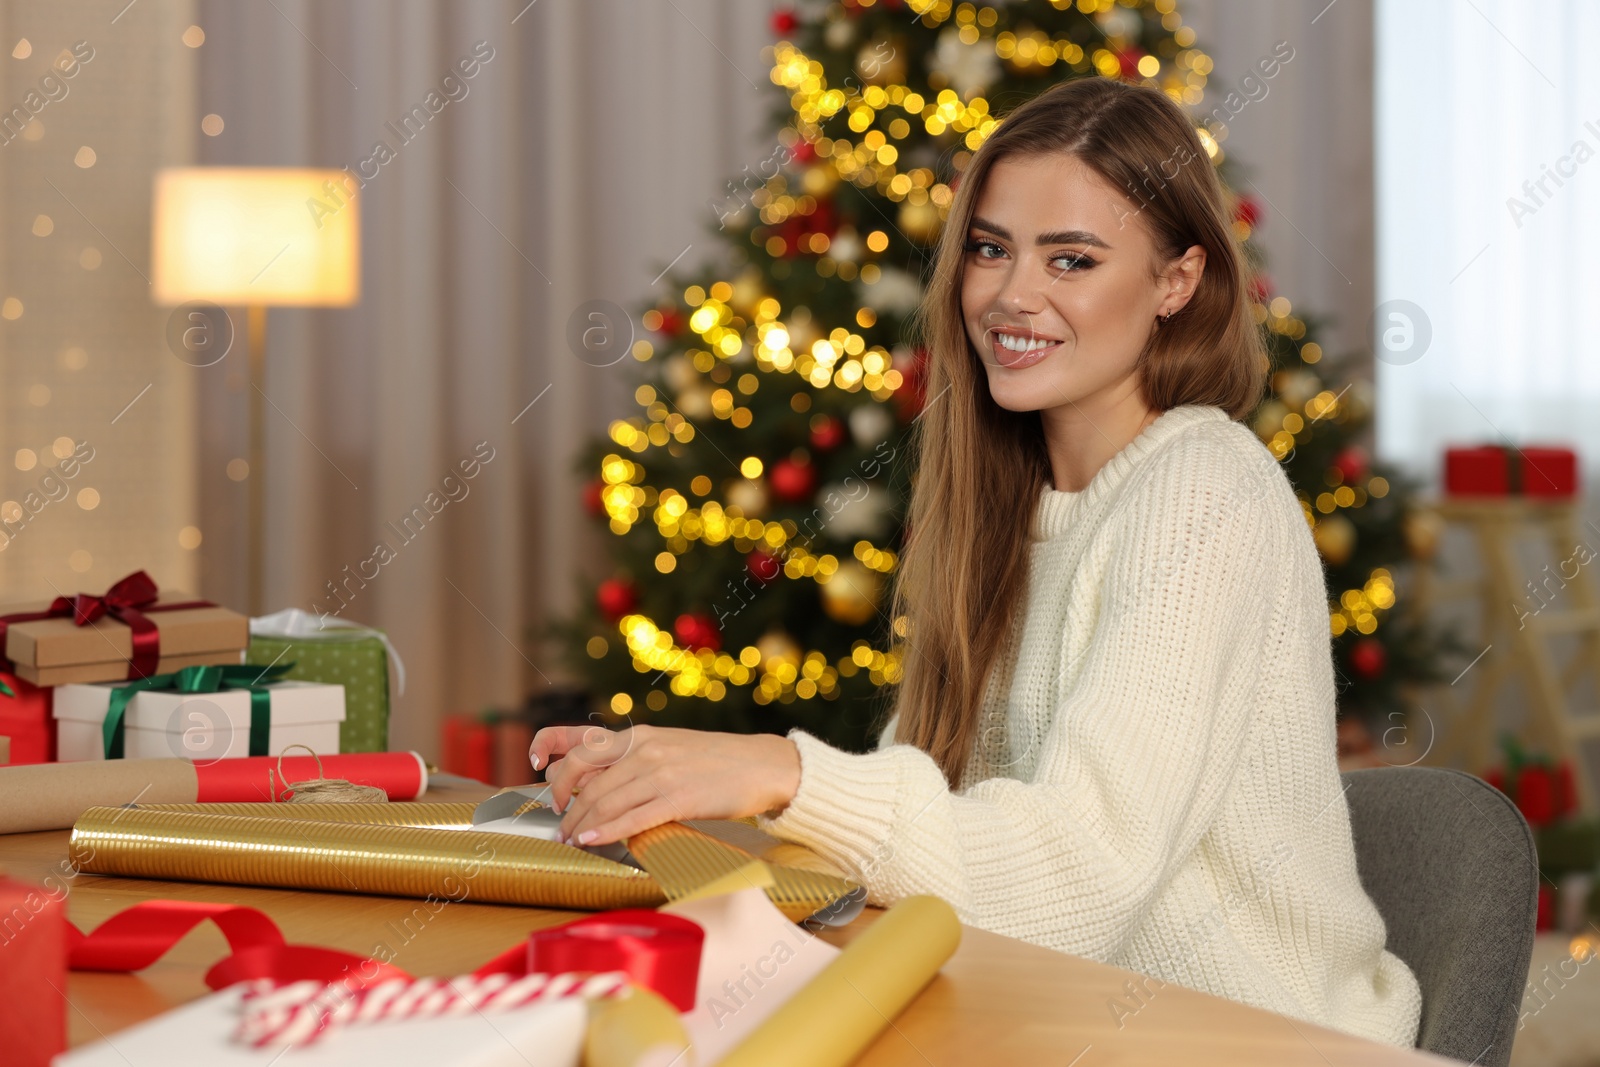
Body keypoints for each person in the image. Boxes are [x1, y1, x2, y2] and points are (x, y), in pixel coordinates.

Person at [530, 77, 1422, 1048]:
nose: (1009, 294)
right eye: (990, 249)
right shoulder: (1002, 503)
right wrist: (666, 786)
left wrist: (776, 769)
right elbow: (951, 853)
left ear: (1177, 282)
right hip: (1053, 1018)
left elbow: (1072, 880)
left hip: (1258, 1040)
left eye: (1071, 259)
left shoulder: (1204, 486)